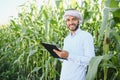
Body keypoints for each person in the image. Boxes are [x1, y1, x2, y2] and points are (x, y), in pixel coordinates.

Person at [53, 9, 95, 80]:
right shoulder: (67, 39)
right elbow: (66, 59)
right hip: (64, 77)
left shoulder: (86, 36)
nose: (71, 22)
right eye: (68, 20)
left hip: (77, 77)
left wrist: (69, 55)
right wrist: (59, 55)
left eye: (74, 19)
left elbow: (91, 61)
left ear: (79, 21)